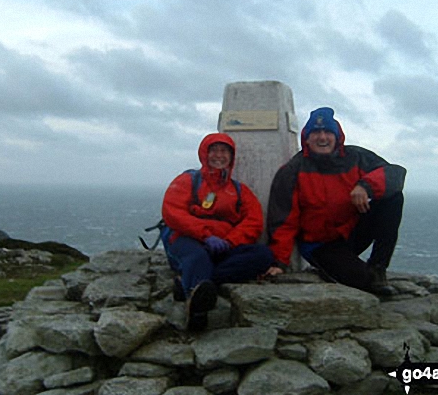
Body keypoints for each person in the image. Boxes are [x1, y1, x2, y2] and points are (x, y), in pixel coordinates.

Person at [266, 107, 406, 295]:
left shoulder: (355, 157)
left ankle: (378, 267)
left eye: (327, 132)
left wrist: (366, 186)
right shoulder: (292, 171)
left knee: (393, 199)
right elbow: (283, 220)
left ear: (337, 136)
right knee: (363, 281)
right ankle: (347, 271)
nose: (322, 137)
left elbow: (394, 174)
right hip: (320, 245)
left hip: (352, 232)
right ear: (306, 138)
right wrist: (279, 262)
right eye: (316, 132)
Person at [162, 133, 274, 330]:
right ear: (204, 154)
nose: (219, 156)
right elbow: (173, 212)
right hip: (188, 240)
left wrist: (230, 242)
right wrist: (205, 235)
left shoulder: (239, 190)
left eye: (224, 151)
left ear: (231, 157)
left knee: (262, 255)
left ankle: (195, 281)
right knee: (198, 256)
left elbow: (253, 221)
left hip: (223, 245)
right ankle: (196, 311)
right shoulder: (188, 180)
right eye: (213, 151)